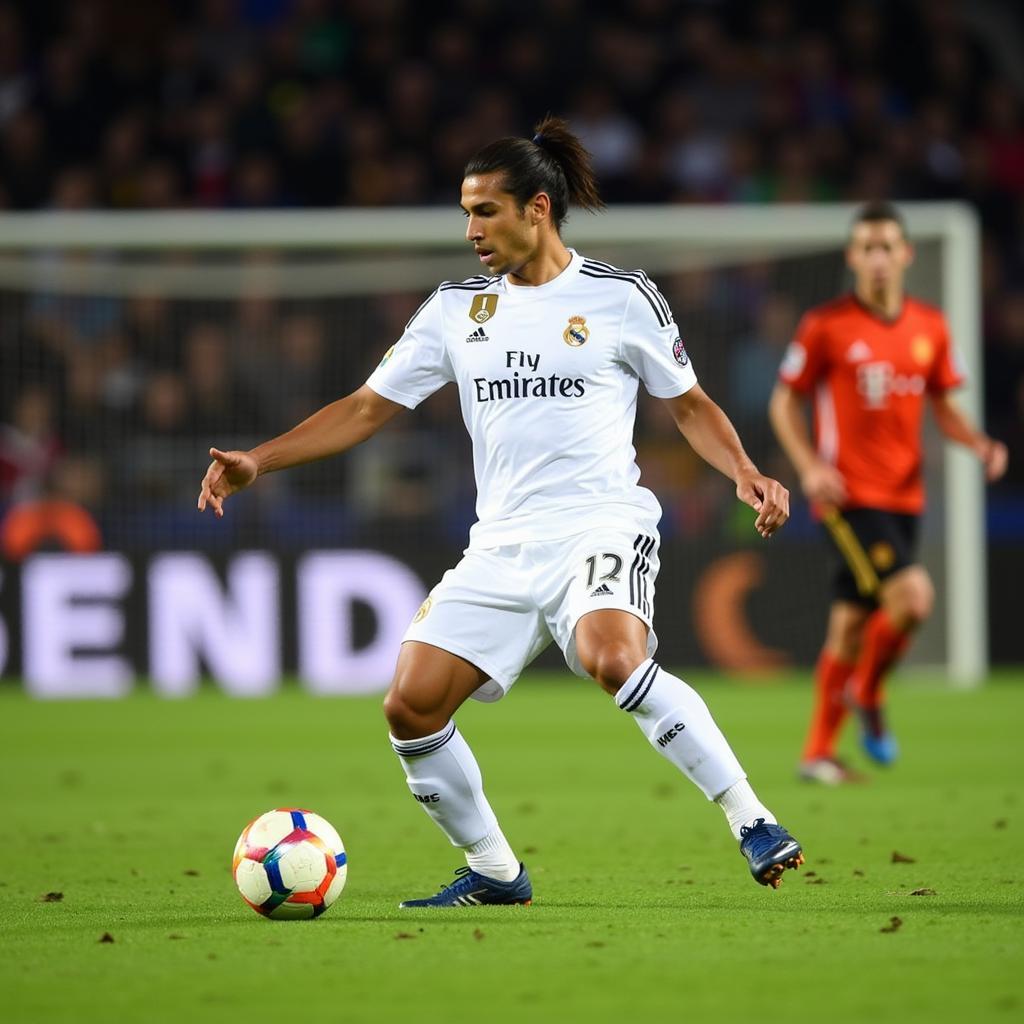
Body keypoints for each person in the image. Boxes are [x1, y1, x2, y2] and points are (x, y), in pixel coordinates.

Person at [199, 116, 804, 905]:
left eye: (486, 210)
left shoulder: (620, 299)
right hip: (502, 545)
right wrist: (260, 460)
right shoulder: (456, 310)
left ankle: (750, 818)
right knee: (410, 706)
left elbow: (688, 405)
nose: (471, 230)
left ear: (538, 209)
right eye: (465, 211)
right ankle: (493, 869)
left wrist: (745, 471)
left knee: (612, 657)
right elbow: (365, 408)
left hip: (600, 522)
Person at [769, 201, 1008, 784]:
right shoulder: (825, 325)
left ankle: (818, 754)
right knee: (915, 599)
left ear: (905, 254)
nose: (877, 259)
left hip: (905, 498)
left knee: (851, 626)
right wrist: (809, 466)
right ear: (853, 258)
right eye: (866, 248)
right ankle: (868, 694)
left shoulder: (930, 326)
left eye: (886, 247)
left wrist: (977, 443)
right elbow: (784, 401)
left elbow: (943, 406)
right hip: (848, 497)